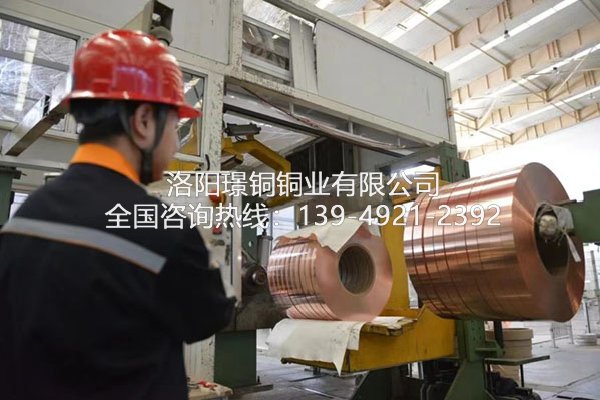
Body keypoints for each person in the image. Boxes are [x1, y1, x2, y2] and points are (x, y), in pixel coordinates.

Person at [0, 29, 235, 400]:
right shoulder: (162, 230)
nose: (175, 143)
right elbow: (209, 316)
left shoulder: (24, 218)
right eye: (175, 127)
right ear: (143, 121)